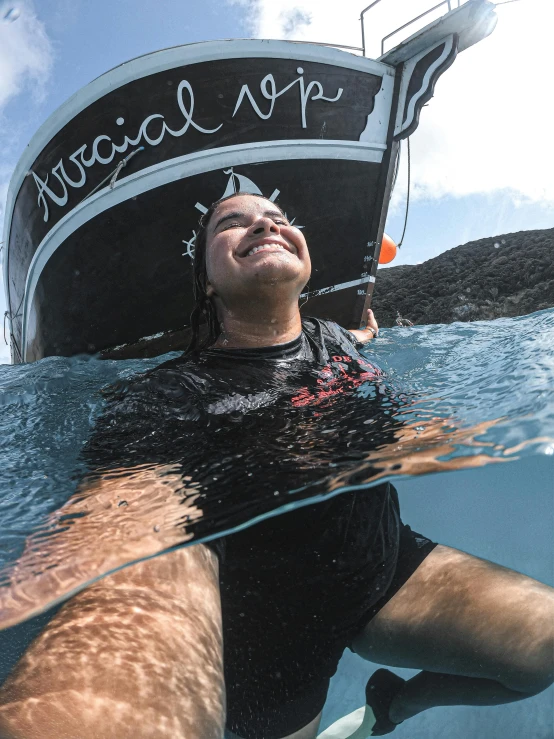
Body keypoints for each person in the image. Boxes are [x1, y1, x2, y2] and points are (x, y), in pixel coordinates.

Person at [0, 192, 552, 739]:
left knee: (545, 647)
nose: (265, 226)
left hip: (384, 569)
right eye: (233, 223)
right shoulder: (168, 392)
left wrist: (366, 339)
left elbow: (358, 348)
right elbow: (122, 506)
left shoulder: (335, 339)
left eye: (278, 218)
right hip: (271, 641)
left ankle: (396, 707)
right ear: (207, 281)